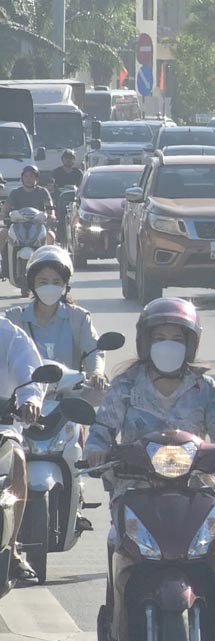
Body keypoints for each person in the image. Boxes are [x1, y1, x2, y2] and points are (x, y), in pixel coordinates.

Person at [84, 298, 215, 625]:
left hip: (194, 492)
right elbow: (102, 429)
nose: (168, 345)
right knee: (119, 544)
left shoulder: (204, 387)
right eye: (160, 337)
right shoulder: (126, 385)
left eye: (177, 338)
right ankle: (116, 619)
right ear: (145, 342)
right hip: (135, 488)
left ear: (190, 344)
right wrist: (96, 450)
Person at [5, 246, 106, 386]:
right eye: (43, 282)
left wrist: (96, 372)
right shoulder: (14, 319)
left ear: (65, 285)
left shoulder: (78, 317)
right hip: (26, 395)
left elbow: (93, 350)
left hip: (71, 394)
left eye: (56, 282)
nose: (50, 287)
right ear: (32, 283)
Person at [0, 315, 47, 581]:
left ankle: (13, 550)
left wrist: (29, 400)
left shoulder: (9, 334)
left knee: (17, 459)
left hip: (2, 428)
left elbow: (29, 371)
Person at [1, 165, 56, 254]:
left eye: (31, 176)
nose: (28, 179)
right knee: (2, 234)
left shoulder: (43, 191)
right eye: (26, 176)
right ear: (22, 178)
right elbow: (5, 209)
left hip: (38, 225)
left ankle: (46, 259)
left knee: (51, 236)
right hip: (17, 225)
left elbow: (50, 209)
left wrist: (51, 216)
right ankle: (3, 259)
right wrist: (3, 217)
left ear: (36, 178)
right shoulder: (15, 192)